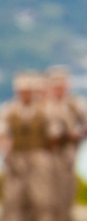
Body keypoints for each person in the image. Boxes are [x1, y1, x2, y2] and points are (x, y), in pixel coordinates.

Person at [0, 71, 62, 221]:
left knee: (41, 200)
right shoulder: (10, 110)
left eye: (27, 91)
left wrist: (46, 156)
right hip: (17, 158)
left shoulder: (45, 110)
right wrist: (7, 153)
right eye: (22, 92)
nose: (24, 95)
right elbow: (3, 134)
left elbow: (54, 135)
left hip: (39, 158)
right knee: (13, 200)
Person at [46, 65, 87, 221]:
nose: (58, 89)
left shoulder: (76, 105)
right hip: (44, 158)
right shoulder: (43, 105)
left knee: (65, 199)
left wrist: (76, 135)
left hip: (67, 157)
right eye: (55, 85)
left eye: (61, 85)